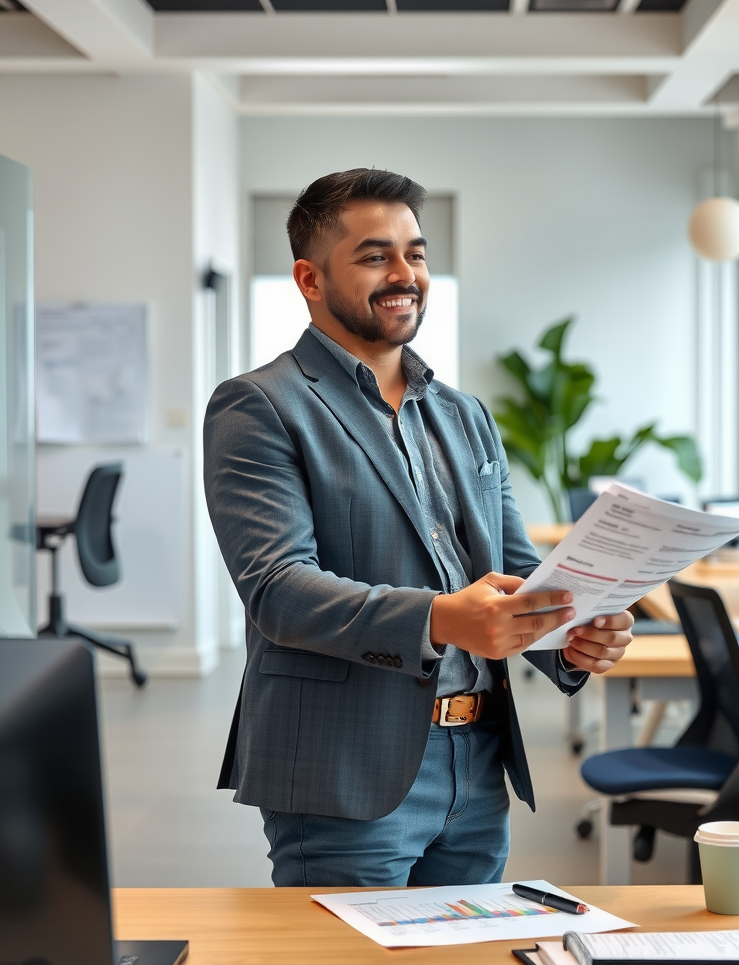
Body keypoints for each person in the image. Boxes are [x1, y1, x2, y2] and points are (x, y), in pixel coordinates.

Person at [204, 168, 634, 888]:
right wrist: (440, 619)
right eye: (375, 255)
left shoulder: (465, 415)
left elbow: (517, 570)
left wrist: (573, 634)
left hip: (478, 763)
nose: (406, 273)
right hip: (346, 771)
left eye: (418, 253)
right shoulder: (260, 407)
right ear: (310, 280)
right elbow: (278, 590)